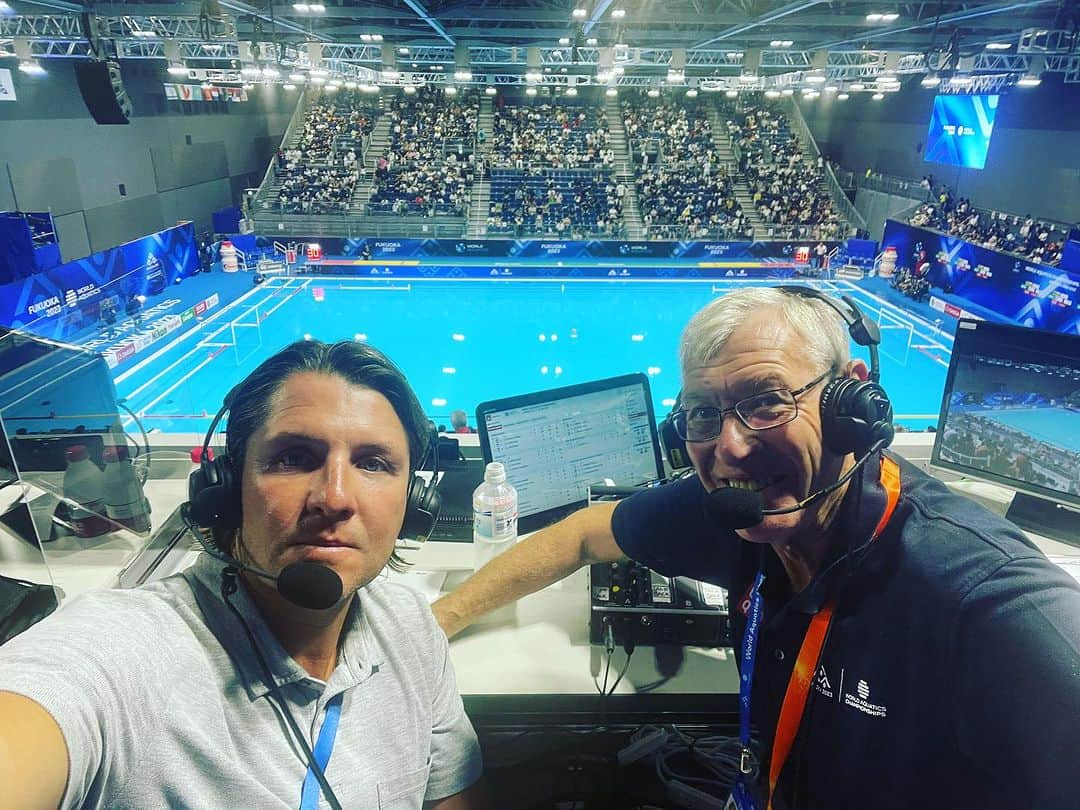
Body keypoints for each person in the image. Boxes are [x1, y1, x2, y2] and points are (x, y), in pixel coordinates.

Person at [432, 286, 1080, 809]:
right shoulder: (742, 508)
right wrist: (435, 623)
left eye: (766, 402)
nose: (730, 449)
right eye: (703, 415)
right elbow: (582, 532)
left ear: (852, 401)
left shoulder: (983, 599)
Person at [0, 339, 485, 809]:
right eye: (294, 458)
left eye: (373, 463)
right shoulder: (122, 649)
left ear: (415, 505)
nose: (334, 497)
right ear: (226, 488)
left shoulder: (412, 632)